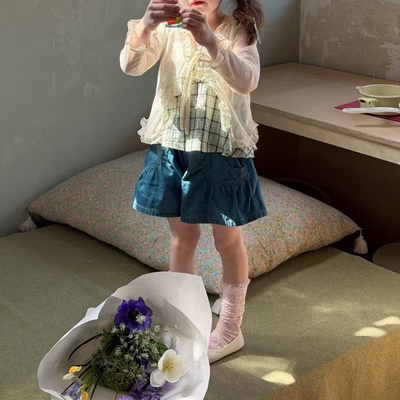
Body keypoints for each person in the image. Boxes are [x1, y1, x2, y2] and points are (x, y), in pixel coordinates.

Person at [120, 0, 266, 363]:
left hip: (220, 151)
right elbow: (131, 66)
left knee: (227, 240)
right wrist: (144, 27)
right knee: (182, 238)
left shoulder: (238, 29)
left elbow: (247, 80)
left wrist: (210, 41)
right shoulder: (166, 30)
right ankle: (184, 321)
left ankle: (230, 327)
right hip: (173, 146)